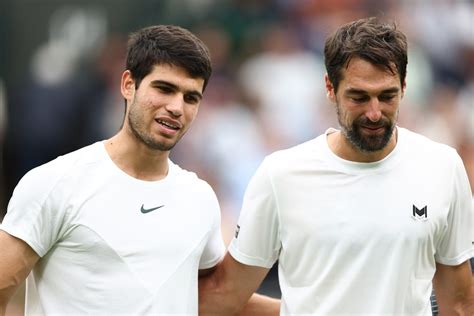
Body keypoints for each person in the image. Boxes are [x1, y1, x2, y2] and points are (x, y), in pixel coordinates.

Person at [199, 17, 474, 315]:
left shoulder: (443, 167)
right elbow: (226, 296)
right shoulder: (281, 174)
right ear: (330, 88)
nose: (373, 112)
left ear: (404, 87)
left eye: (387, 96)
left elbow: (459, 303)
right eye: (358, 97)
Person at [0, 25, 277, 315]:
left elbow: (213, 298)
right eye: (164, 89)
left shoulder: (200, 198)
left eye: (190, 97)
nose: (176, 107)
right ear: (128, 85)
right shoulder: (56, 182)